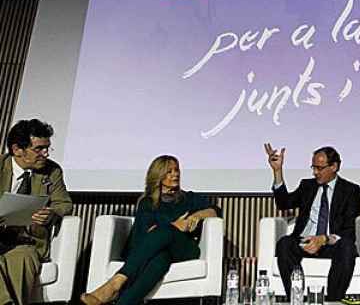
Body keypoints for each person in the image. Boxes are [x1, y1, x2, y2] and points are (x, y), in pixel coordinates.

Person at [80, 155, 220, 305]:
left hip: (183, 248)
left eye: (177, 170)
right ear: (158, 176)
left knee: (164, 232)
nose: (176, 174)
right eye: (169, 171)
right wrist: (175, 225)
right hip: (157, 252)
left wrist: (198, 215)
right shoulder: (147, 203)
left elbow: (215, 211)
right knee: (160, 259)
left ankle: (115, 283)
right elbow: (148, 233)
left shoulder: (190, 198)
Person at [264, 144, 360, 301]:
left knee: (347, 247)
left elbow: (348, 231)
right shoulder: (307, 186)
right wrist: (277, 171)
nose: (315, 172)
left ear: (334, 166)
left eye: (320, 168)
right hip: (304, 241)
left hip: (330, 244)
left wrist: (323, 239)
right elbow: (284, 204)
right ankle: (296, 299)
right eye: (313, 167)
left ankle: (334, 301)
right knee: (284, 244)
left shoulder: (350, 190)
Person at [0, 119, 72, 305]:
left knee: (23, 258)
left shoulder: (52, 171)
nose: (46, 153)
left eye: (48, 148)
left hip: (26, 241)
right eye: (39, 149)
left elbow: (64, 203)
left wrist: (52, 214)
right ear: (17, 150)